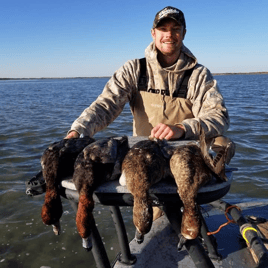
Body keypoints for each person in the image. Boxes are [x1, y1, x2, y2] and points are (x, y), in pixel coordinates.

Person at [65, 6, 235, 221]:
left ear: (183, 33)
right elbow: (105, 105)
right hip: (145, 156)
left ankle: (191, 211)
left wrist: (182, 129)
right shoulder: (133, 69)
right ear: (153, 33)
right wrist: (78, 130)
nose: (169, 35)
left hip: (184, 152)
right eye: (163, 28)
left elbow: (218, 116)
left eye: (175, 28)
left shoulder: (198, 74)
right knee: (150, 218)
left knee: (223, 143)